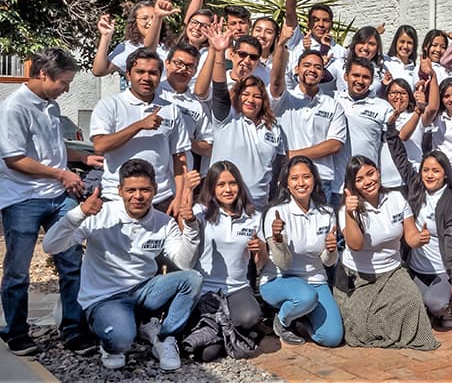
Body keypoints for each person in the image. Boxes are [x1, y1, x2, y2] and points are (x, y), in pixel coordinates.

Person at [42, 159, 203, 371]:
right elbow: (50, 246)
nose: (138, 196)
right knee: (121, 342)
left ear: (154, 190)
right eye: (131, 190)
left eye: (145, 189)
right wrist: (79, 213)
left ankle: (164, 338)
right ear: (120, 191)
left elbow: (184, 263)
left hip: (143, 291)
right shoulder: (100, 214)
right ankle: (111, 337)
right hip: (105, 297)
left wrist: (191, 226)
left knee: (192, 278)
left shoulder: (163, 222)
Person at [0, 48, 101, 356]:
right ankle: (16, 331)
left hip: (58, 197)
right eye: (64, 82)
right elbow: (15, 158)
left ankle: (73, 329)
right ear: (43, 74)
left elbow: (52, 148)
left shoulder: (52, 105)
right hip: (22, 198)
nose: (67, 88)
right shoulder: (13, 109)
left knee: (72, 263)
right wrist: (62, 174)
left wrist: (82, 158)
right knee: (18, 270)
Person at [333, 156, 438, 350]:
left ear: (378, 172)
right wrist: (349, 214)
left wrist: (421, 238)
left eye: (370, 174)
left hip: (392, 271)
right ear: (353, 185)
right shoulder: (346, 209)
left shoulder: (397, 198)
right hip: (357, 277)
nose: (367, 181)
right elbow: (355, 244)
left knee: (413, 304)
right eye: (359, 179)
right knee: (361, 329)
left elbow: (410, 236)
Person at [386, 116, 452, 329]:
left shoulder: (451, 202)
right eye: (426, 170)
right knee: (406, 303)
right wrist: (391, 129)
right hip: (416, 268)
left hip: (441, 271)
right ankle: (426, 307)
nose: (429, 175)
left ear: (445, 174)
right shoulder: (416, 188)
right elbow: (400, 158)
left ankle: (445, 308)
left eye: (436, 171)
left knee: (435, 302)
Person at [90, 48, 190, 216]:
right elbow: (100, 145)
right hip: (117, 197)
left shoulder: (171, 109)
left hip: (161, 198)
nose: (146, 78)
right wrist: (138, 126)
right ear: (128, 75)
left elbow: (179, 157)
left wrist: (179, 196)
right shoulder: (109, 105)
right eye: (140, 72)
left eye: (153, 73)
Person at [259, 157, 343, 347]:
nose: (301, 183)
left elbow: (328, 262)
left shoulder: (326, 212)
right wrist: (278, 240)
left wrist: (331, 249)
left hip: (314, 280)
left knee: (332, 338)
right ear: (287, 184)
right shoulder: (276, 213)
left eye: (306, 177)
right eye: (294, 178)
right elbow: (283, 264)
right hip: (278, 279)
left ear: (314, 180)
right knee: (305, 296)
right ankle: (282, 321)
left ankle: (302, 314)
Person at [187, 161, 265, 361]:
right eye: (221, 184)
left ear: (240, 185)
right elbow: (186, 225)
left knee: (250, 317)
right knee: (207, 355)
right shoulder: (201, 211)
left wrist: (261, 249)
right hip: (205, 290)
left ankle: (220, 331)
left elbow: (261, 263)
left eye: (232, 183)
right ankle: (228, 335)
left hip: (237, 288)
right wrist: (187, 191)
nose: (228, 189)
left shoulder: (254, 216)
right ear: (212, 187)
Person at [205, 25, 288, 210]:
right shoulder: (227, 118)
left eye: (257, 96)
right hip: (222, 206)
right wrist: (219, 52)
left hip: (259, 208)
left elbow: (276, 170)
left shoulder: (273, 127)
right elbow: (219, 90)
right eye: (246, 95)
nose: (251, 100)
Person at [269, 46, 346, 203]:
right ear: (296, 69)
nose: (312, 70)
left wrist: (291, 155)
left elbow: (334, 145)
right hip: (287, 178)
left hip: (321, 179)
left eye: (318, 67)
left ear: (323, 74)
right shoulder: (285, 99)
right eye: (307, 65)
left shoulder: (333, 105)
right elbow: (276, 81)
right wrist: (282, 43)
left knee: (323, 227)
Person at [331, 57, 395, 199]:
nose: (360, 81)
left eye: (365, 77)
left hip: (367, 186)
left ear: (372, 81)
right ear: (346, 76)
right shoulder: (332, 100)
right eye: (356, 75)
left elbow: (398, 138)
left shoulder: (383, 107)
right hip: (336, 186)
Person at [282, 0, 347, 89]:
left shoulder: (340, 52)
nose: (321, 25)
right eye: (316, 20)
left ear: (332, 24)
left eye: (325, 21)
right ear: (308, 24)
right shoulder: (297, 41)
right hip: (298, 104)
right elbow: (290, 12)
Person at [158, 43, 214, 176]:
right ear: (167, 63)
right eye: (178, 63)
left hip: (183, 179)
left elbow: (209, 147)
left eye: (189, 66)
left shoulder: (196, 105)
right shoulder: (154, 92)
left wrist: (185, 141)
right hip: (151, 177)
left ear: (195, 71)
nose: (183, 69)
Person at [92, 0, 173, 85]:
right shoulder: (128, 47)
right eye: (144, 18)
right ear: (135, 22)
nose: (151, 23)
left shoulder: (170, 47)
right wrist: (105, 36)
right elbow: (99, 71)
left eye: (154, 18)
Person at [378, 78, 435, 188]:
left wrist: (419, 110)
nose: (398, 97)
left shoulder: (416, 116)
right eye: (393, 93)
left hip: (410, 179)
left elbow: (402, 136)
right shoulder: (380, 115)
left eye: (403, 93)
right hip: (384, 180)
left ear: (410, 96)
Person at [327, 27, 387, 95]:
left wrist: (385, 85)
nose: (365, 48)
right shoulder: (340, 64)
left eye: (371, 44)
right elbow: (320, 78)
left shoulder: (382, 72)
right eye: (362, 42)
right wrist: (323, 49)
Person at [250, 16, 280, 84]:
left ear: (275, 37)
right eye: (258, 30)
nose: (262, 35)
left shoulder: (282, 62)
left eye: (269, 32)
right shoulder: (243, 59)